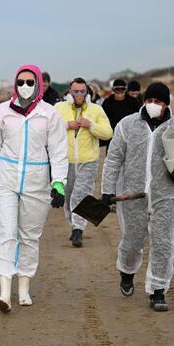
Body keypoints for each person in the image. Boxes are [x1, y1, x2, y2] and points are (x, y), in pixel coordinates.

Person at [101, 82, 174, 311]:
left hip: (165, 196)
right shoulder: (127, 125)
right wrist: (107, 190)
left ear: (166, 104)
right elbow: (114, 159)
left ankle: (158, 291)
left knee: (164, 244)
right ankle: (127, 272)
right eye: (149, 101)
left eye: (157, 102)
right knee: (132, 242)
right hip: (132, 195)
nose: (152, 105)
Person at [0, 65, 69, 312]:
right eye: (21, 82)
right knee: (5, 234)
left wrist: (59, 182)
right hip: (5, 180)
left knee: (29, 236)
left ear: (38, 84)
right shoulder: (1, 112)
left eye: (30, 82)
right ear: (15, 83)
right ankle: (5, 292)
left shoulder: (49, 114)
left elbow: (59, 150)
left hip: (36, 182)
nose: (25, 86)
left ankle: (24, 288)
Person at [55, 78, 113, 247]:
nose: (79, 94)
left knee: (81, 195)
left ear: (87, 93)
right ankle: (74, 226)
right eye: (76, 91)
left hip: (88, 160)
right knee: (68, 198)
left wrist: (91, 125)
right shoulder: (59, 108)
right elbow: (47, 127)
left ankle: (78, 230)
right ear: (70, 92)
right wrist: (66, 125)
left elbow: (108, 133)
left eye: (82, 91)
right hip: (65, 161)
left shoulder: (96, 110)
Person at [100, 79, 140, 151]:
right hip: (112, 138)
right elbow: (102, 119)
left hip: (129, 138)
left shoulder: (133, 102)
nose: (120, 93)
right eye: (117, 90)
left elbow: (138, 119)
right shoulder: (107, 102)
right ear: (113, 90)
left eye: (122, 90)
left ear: (126, 90)